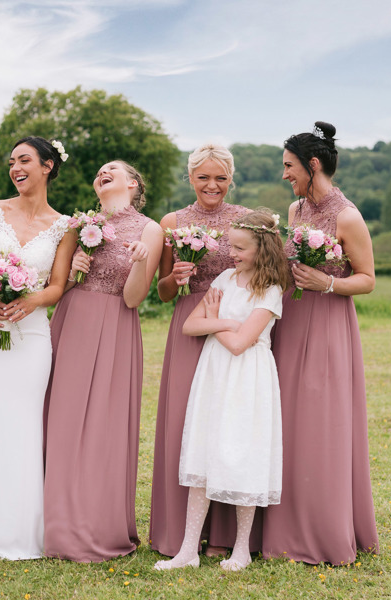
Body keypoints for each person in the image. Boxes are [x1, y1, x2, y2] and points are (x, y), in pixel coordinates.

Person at [262, 121, 379, 565]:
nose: (285, 174)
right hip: (289, 322)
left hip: (329, 323)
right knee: (286, 420)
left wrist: (328, 283)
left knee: (321, 422)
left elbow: (367, 280)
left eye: (289, 166)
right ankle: (281, 525)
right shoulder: (294, 212)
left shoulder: (347, 216)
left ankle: (324, 528)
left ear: (313, 165)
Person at [0, 136, 77, 559]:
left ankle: (22, 533)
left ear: (47, 166)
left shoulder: (66, 225)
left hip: (31, 337)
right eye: (12, 162)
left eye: (24, 160)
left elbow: (58, 286)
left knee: (24, 424)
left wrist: (27, 303)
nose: (16, 168)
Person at [154, 210, 289, 572]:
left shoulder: (271, 289)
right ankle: (187, 551)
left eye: (240, 248)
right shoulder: (226, 277)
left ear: (262, 250)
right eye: (231, 245)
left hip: (248, 378)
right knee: (204, 449)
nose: (232, 253)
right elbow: (188, 325)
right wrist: (226, 322)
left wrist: (214, 324)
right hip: (213, 374)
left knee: (243, 453)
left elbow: (242, 344)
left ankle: (241, 549)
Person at [44, 161, 163, 562]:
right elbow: (55, 287)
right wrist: (75, 272)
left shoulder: (150, 229)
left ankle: (95, 521)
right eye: (99, 171)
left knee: (103, 424)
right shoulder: (81, 224)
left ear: (133, 182)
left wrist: (143, 260)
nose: (103, 172)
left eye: (113, 169)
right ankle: (52, 521)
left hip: (114, 326)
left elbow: (133, 298)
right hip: (73, 320)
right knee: (61, 418)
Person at [149, 144, 250, 557]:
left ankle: (224, 538)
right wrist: (175, 276)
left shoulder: (245, 220)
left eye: (221, 178)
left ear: (231, 180)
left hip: (233, 320)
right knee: (184, 422)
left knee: (228, 423)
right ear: (190, 179)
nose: (213, 185)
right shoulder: (173, 222)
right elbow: (162, 292)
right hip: (191, 323)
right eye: (204, 177)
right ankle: (180, 534)